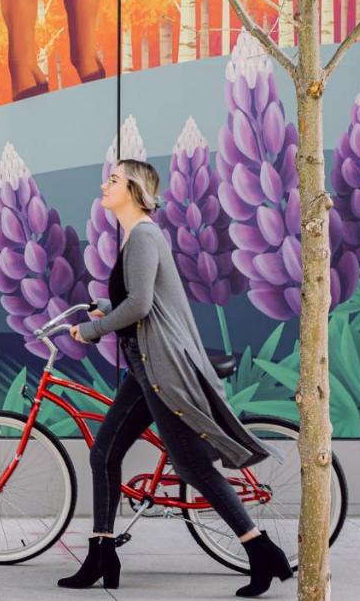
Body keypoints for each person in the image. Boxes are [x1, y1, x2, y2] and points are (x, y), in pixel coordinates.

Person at [57, 159, 292, 597]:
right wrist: (106, 311)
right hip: (145, 366)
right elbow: (144, 305)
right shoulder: (136, 237)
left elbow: (142, 305)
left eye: (113, 180)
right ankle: (102, 552)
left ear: (133, 189)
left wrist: (93, 330)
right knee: (103, 453)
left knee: (192, 468)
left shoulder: (143, 235)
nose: (104, 185)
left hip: (161, 369)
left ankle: (262, 551)